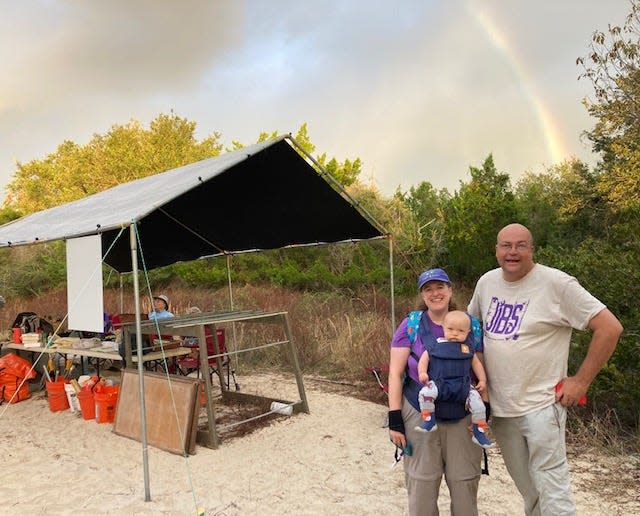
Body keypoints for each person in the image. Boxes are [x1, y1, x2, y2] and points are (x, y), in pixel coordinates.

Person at [468, 223, 623, 516]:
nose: (512, 252)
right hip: (501, 408)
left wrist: (580, 381)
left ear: (532, 250)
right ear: (496, 250)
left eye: (520, 245)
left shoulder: (557, 284)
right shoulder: (486, 283)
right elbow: (470, 330)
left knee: (552, 487)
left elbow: (610, 328)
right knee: (529, 490)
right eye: (506, 245)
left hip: (542, 405)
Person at [388, 268, 484, 516]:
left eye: (440, 287)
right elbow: (395, 374)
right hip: (419, 413)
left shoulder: (471, 325)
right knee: (421, 486)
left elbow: (481, 373)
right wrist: (395, 419)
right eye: (428, 289)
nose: (435, 293)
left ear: (450, 290)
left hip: (462, 416)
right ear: (422, 294)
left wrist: (485, 412)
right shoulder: (411, 325)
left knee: (464, 483)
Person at [415, 310, 493, 449]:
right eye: (450, 329)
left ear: (468, 332)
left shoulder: (467, 349)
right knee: (425, 394)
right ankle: (428, 419)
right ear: (443, 328)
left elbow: (476, 365)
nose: (455, 333)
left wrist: (482, 381)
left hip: (463, 386)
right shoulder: (436, 344)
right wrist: (422, 373)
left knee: (479, 406)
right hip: (439, 384)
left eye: (460, 331)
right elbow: (425, 359)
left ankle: (479, 432)